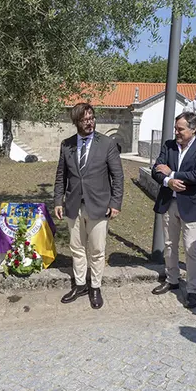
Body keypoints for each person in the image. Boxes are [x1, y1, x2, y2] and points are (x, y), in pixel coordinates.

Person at [53, 102, 124, 309]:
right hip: (73, 205)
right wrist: (58, 200)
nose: (90, 122)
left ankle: (95, 287)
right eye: (85, 119)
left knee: (97, 249)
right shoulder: (67, 145)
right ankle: (80, 284)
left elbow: (117, 176)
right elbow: (61, 175)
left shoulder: (106, 144)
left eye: (92, 118)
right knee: (77, 248)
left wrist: (115, 203)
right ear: (76, 122)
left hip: (99, 205)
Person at [150, 112, 196, 309]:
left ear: (193, 129)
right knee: (169, 244)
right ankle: (172, 279)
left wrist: (172, 173)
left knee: (191, 248)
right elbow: (155, 170)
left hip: (191, 206)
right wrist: (168, 182)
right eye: (175, 128)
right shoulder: (169, 145)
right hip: (169, 202)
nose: (176, 132)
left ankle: (193, 289)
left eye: (180, 129)